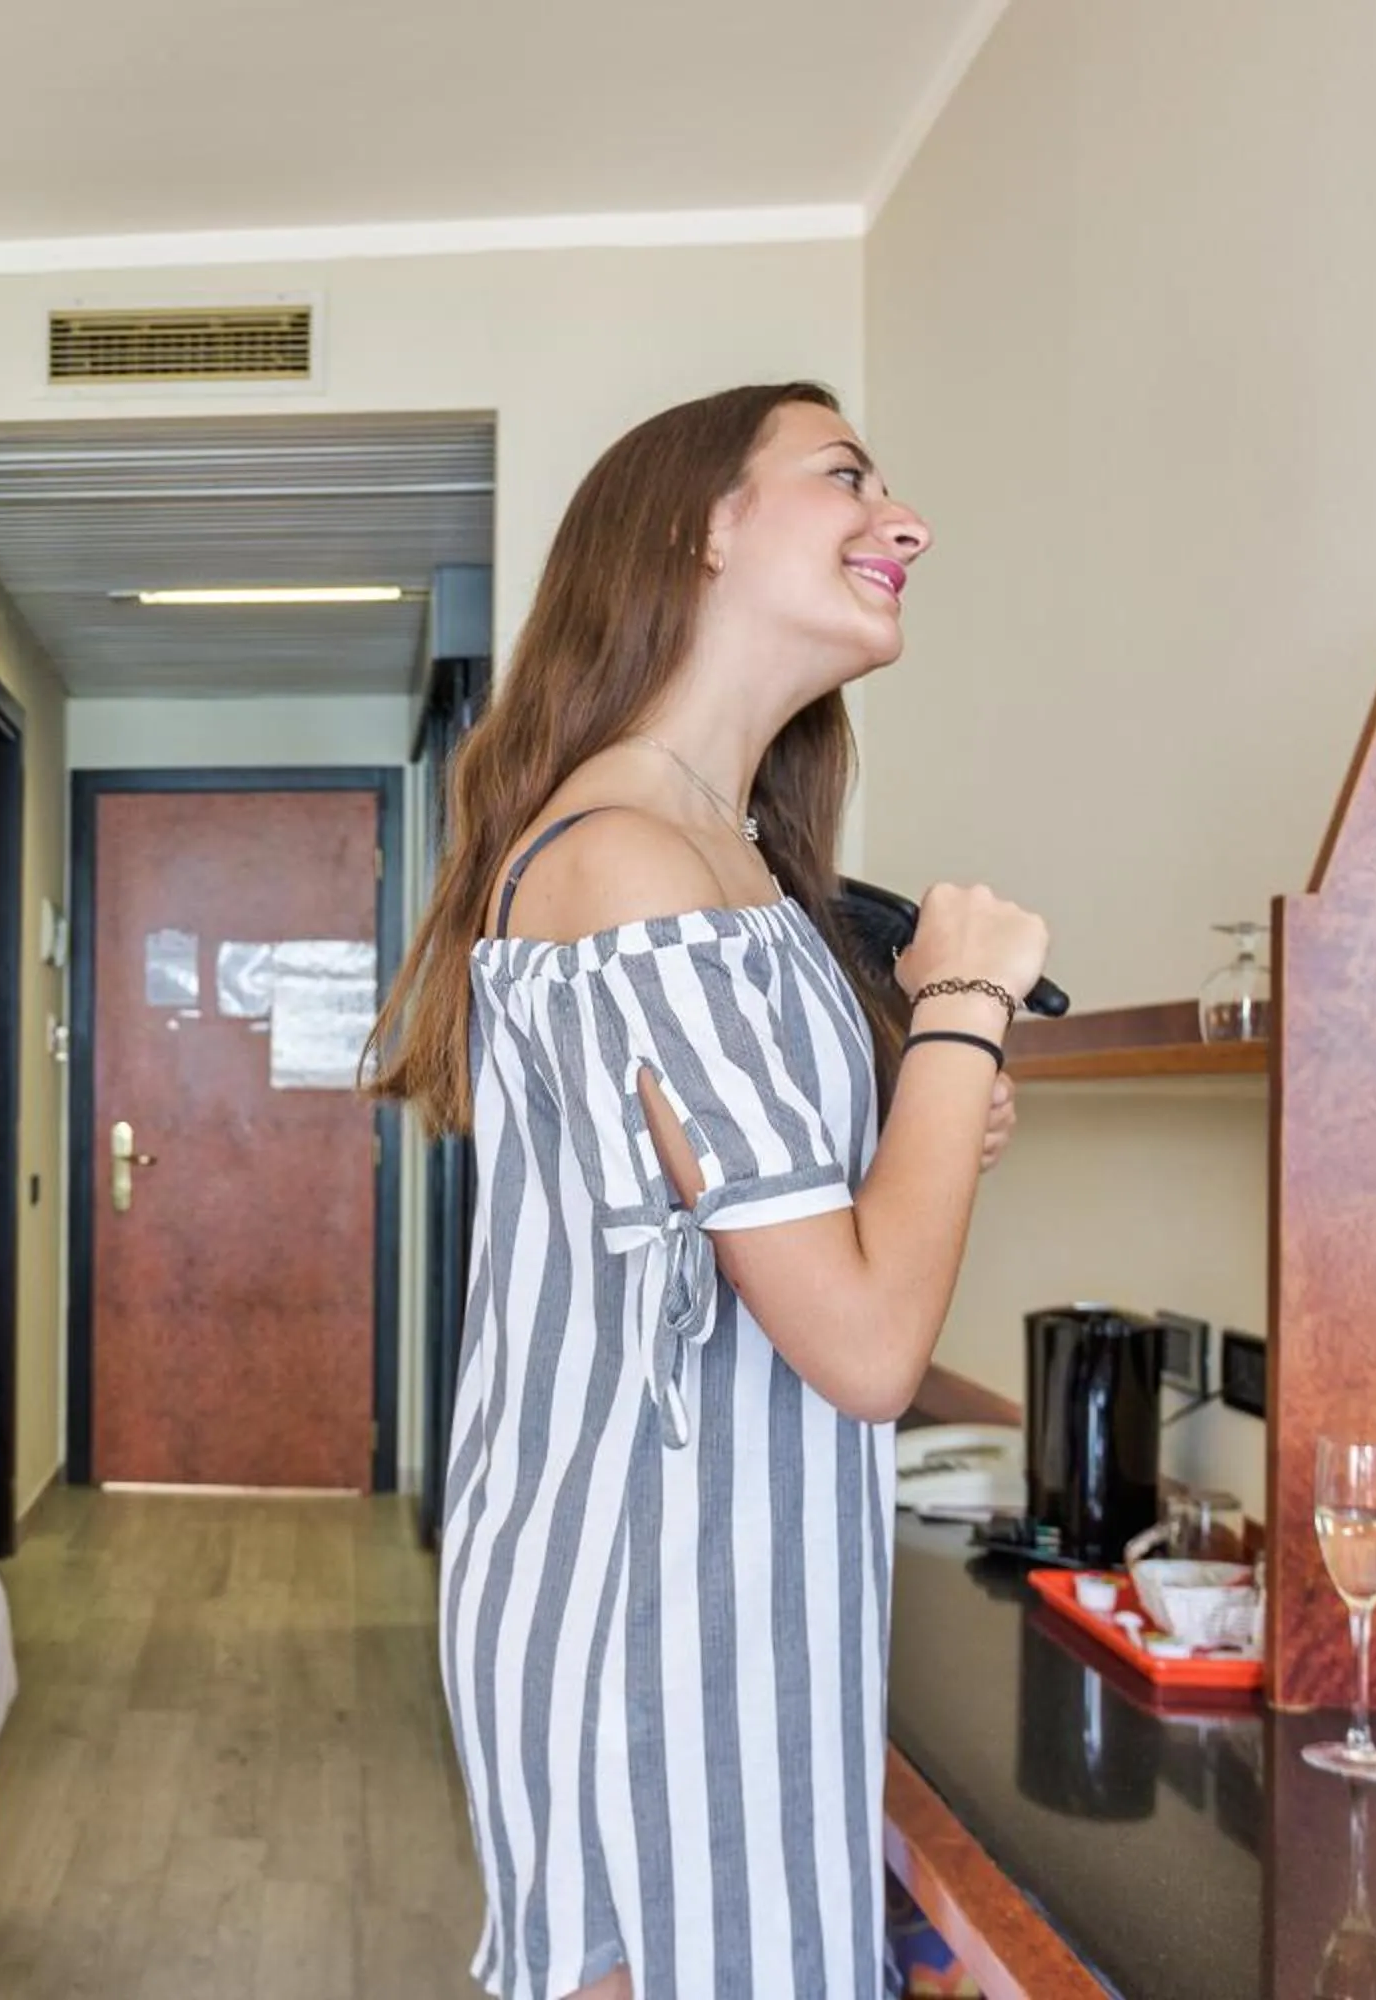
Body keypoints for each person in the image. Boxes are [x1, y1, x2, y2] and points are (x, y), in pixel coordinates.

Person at [366, 384, 1047, 1999]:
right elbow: (869, 1346)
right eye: (845, 477)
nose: (907, 521)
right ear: (704, 524)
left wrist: (920, 1117)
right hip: (652, 1623)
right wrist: (961, 1002)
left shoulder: (726, 860)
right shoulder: (627, 863)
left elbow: (802, 1241)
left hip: (744, 1605)